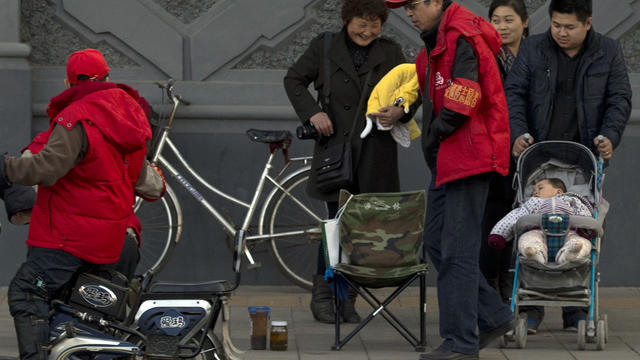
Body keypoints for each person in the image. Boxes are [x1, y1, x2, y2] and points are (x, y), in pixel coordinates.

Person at [1, 48, 163, 360]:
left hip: (69, 240)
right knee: (96, 309)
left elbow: (43, 168)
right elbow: (152, 187)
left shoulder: (72, 120)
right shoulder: (128, 121)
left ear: (67, 81)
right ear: (106, 77)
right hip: (117, 241)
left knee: (26, 292)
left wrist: (6, 169)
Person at [384, 0, 514, 358]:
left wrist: (435, 133)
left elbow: (465, 95)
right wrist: (403, 112)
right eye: (404, 7)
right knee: (437, 242)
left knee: (456, 249)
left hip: (468, 156)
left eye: (413, 5)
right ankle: (493, 315)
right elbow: (429, 92)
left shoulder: (461, 35)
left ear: (437, 2)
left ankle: (460, 342)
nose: (408, 13)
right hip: (449, 158)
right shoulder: (434, 45)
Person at [284, 0, 415, 325]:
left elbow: (409, 91)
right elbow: (294, 80)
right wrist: (313, 114)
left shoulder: (391, 51)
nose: (367, 31)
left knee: (365, 229)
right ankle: (325, 298)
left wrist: (398, 111)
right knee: (334, 226)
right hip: (336, 153)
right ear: (347, 19)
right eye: (361, 23)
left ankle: (348, 299)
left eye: (375, 24)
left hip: (376, 153)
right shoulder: (324, 46)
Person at [504, 0, 632, 333]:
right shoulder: (533, 48)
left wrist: (609, 137)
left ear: (588, 22)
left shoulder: (608, 51)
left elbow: (620, 98)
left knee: (577, 229)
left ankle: (575, 307)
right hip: (539, 155)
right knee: (533, 226)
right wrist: (518, 134)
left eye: (569, 27)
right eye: (556, 25)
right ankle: (530, 306)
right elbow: (514, 93)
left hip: (584, 159)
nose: (561, 33)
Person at [480, 0, 530, 303]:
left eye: (509, 19)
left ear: (524, 22)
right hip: (494, 149)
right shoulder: (485, 55)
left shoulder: (536, 54)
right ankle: (492, 286)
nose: (501, 26)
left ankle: (520, 288)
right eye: (496, 20)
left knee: (526, 219)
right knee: (494, 220)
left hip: (527, 149)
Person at [488, 178, 593, 265]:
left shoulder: (572, 200)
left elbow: (583, 212)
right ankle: (534, 253)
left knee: (581, 243)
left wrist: (585, 228)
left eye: (540, 188)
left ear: (559, 192)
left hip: (569, 232)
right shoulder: (533, 202)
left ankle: (570, 254)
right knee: (528, 239)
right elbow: (515, 216)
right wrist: (499, 234)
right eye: (533, 190)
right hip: (539, 231)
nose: (535, 192)